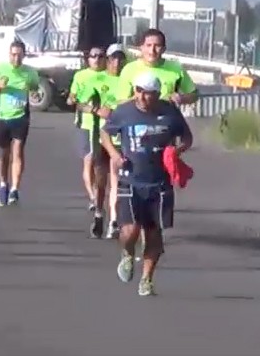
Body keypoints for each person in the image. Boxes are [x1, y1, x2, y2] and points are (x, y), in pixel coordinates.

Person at [100, 71, 193, 296]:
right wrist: (114, 154)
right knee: (130, 230)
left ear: (157, 94)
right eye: (139, 91)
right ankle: (127, 253)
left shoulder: (169, 112)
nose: (142, 97)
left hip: (159, 182)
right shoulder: (124, 111)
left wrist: (177, 150)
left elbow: (187, 138)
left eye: (148, 93)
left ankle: (146, 279)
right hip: (130, 179)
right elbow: (105, 133)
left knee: (153, 233)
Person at [0, 40, 40, 206]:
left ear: (24, 55)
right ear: (9, 54)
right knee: (4, 153)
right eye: (13, 55)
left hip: (21, 117)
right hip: (1, 117)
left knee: (18, 151)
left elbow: (35, 89)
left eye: (19, 55)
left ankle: (14, 189)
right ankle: (3, 184)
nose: (16, 58)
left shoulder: (30, 72)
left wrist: (34, 93)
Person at [67, 48, 107, 211]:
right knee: (89, 160)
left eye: (100, 56)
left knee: (102, 164)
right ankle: (92, 196)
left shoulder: (109, 76)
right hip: (86, 124)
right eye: (93, 56)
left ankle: (100, 193)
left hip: (105, 125)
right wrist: (72, 99)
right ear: (88, 59)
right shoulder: (80, 76)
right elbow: (72, 97)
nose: (97, 59)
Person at [115, 28, 198, 106]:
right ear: (141, 47)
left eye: (157, 46)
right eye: (148, 45)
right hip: (138, 116)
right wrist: (137, 98)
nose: (152, 51)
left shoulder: (176, 68)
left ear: (164, 49)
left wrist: (181, 98)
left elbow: (194, 95)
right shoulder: (129, 69)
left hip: (166, 114)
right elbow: (120, 103)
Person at [103, 43, 127, 239]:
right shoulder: (100, 78)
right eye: (113, 58)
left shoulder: (129, 78)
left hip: (130, 133)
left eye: (120, 58)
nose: (117, 62)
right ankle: (112, 220)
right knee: (114, 180)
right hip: (109, 132)